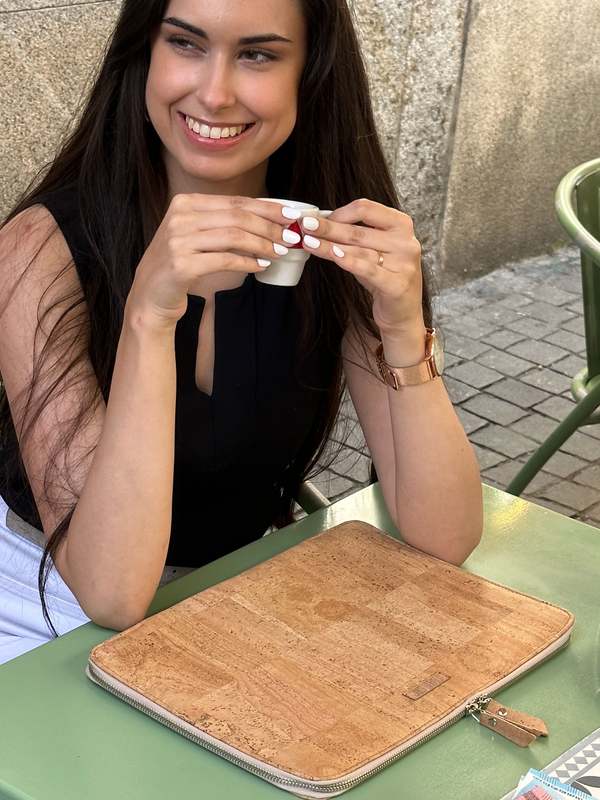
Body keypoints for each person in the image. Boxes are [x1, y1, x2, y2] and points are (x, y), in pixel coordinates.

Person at [0, 0, 483, 664]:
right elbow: (109, 592)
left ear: (309, 74)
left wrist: (403, 328)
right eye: (185, 44)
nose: (215, 92)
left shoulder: (323, 243)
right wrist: (148, 318)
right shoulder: (39, 250)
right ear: (143, 56)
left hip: (235, 604)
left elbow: (445, 538)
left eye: (257, 54)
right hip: (40, 611)